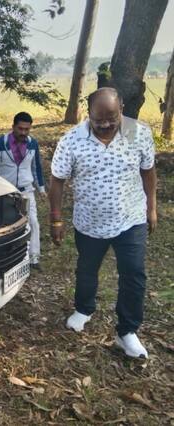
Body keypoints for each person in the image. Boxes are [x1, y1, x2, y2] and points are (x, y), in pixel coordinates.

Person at [49, 88, 157, 359]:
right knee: (87, 269)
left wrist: (152, 208)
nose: (106, 124)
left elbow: (148, 172)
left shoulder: (139, 133)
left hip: (131, 218)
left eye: (112, 118)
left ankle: (127, 331)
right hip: (90, 222)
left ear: (122, 109)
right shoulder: (72, 140)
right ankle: (84, 309)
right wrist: (56, 219)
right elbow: (57, 180)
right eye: (99, 120)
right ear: (89, 114)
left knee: (134, 274)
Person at [0, 111, 46, 269]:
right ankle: (7, 258)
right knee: (5, 224)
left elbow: (36, 168)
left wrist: (41, 189)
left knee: (33, 221)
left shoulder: (33, 144)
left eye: (27, 129)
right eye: (20, 129)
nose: (23, 132)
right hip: (5, 191)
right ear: (13, 127)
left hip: (26, 190)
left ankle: (34, 258)